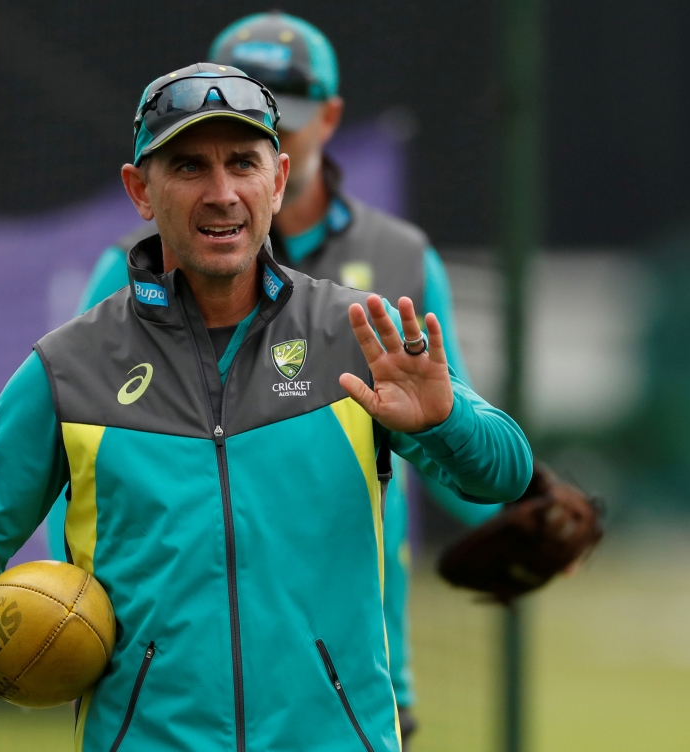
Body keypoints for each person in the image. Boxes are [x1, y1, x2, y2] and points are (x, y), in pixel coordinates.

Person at [0, 63, 532, 751]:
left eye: (243, 163)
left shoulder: (353, 335)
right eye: (190, 167)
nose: (222, 193)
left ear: (279, 180)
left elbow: (506, 474)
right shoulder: (69, 366)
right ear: (140, 190)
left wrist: (447, 423)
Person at [44, 13, 501, 746]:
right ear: (149, 178)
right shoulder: (121, 279)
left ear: (328, 119)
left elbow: (466, 454)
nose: (222, 181)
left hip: (347, 685)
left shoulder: (399, 259)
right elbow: (87, 468)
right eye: (193, 158)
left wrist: (516, 505)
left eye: (278, 114)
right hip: (167, 707)